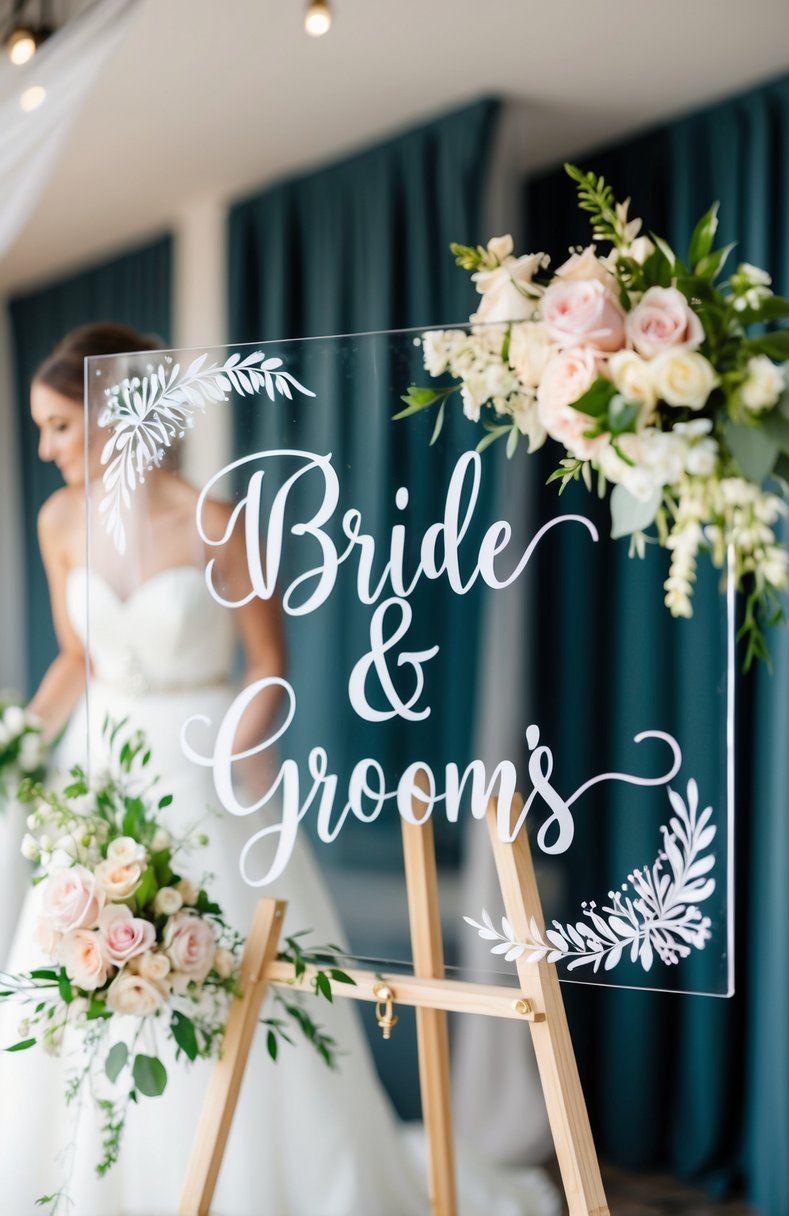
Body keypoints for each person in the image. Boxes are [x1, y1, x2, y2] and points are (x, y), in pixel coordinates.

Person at [0, 323, 559, 1215]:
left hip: (199, 758)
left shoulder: (216, 522)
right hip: (101, 760)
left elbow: (269, 661)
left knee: (222, 965)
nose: (46, 448)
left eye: (60, 425)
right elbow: (77, 658)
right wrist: (19, 737)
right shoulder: (59, 520)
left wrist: (235, 749)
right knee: (78, 958)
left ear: (118, 415)